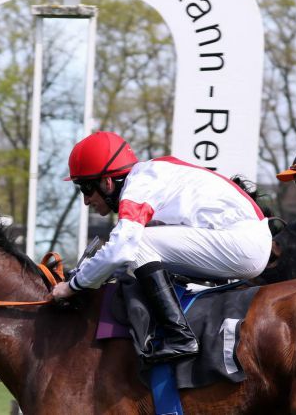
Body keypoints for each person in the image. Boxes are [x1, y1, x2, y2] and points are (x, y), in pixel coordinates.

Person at [51, 131, 272, 362]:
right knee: (141, 246)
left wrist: (72, 286)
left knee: (138, 243)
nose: (86, 200)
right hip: (242, 241)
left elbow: (121, 249)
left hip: (242, 243)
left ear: (107, 182)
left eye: (85, 188)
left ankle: (180, 337)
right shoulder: (150, 176)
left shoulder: (138, 186)